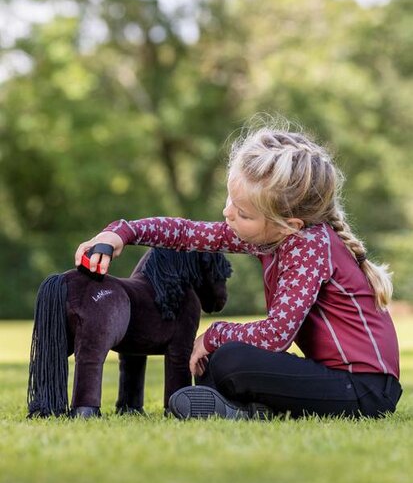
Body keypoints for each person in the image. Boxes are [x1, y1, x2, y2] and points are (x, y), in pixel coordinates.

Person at [75, 124, 402, 420]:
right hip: (333, 379)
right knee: (213, 365)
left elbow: (276, 336)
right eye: (231, 199)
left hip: (364, 390)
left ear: (290, 224)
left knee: (230, 358)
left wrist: (213, 334)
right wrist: (121, 233)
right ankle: (246, 410)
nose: (227, 213)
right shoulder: (274, 236)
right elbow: (189, 234)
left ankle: (247, 409)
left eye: (242, 212)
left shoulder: (308, 246)